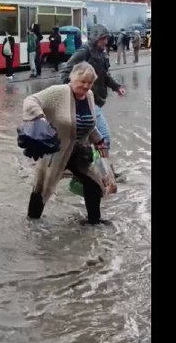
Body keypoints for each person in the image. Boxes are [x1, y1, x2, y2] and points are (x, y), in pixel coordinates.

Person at [24, 62, 113, 224]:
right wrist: (40, 118)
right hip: (55, 150)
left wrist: (100, 142)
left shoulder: (90, 96)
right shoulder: (58, 92)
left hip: (79, 150)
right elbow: (30, 100)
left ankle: (94, 222)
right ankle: (32, 223)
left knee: (94, 183)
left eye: (90, 82)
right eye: (82, 82)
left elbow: (89, 124)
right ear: (72, 79)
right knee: (42, 187)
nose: (86, 86)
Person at [60, 23, 126, 153]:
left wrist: (117, 87)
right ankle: (101, 167)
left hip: (97, 100)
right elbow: (66, 71)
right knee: (104, 137)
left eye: (107, 39)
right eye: (103, 39)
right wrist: (74, 91)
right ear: (96, 37)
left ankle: (86, 163)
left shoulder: (102, 53)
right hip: (88, 101)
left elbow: (105, 75)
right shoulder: (85, 51)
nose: (106, 42)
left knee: (88, 138)